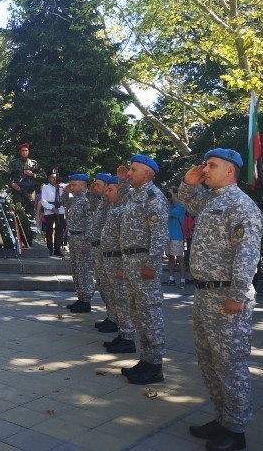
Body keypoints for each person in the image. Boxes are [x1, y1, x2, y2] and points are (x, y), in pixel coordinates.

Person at [179, 148, 262, 451]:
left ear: (229, 171)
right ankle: (222, 418)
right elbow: (187, 203)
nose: (205, 169)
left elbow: (248, 254)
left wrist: (237, 295)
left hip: (227, 295)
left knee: (230, 365)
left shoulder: (242, 205)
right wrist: (188, 183)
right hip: (205, 294)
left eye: (211, 165)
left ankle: (236, 432)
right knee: (209, 361)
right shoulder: (211, 200)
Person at [117, 155, 169, 385]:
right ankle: (145, 359)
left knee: (149, 312)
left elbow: (160, 233)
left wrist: (151, 263)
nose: (129, 173)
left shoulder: (153, 197)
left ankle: (156, 365)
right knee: (138, 312)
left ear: (147, 173)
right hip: (130, 260)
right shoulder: (134, 195)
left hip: (143, 261)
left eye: (133, 170)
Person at [99, 175, 136, 353]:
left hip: (118, 260)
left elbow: (126, 240)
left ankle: (128, 336)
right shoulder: (115, 208)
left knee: (122, 299)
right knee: (115, 298)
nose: (107, 193)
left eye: (110, 189)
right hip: (109, 259)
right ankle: (122, 333)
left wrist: (123, 266)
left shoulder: (125, 210)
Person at [90, 173, 118, 334]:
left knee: (110, 287)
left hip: (107, 251)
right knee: (102, 285)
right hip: (100, 249)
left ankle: (115, 319)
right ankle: (111, 316)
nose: (96, 187)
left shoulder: (111, 203)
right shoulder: (102, 202)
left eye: (98, 185)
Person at [63, 174, 93, 312]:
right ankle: (80, 297)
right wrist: (65, 192)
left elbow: (90, 223)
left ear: (82, 185)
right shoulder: (75, 198)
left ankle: (86, 300)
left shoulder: (87, 200)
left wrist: (87, 242)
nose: (72, 187)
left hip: (82, 238)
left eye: (74, 185)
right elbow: (64, 204)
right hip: (74, 237)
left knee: (84, 270)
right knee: (76, 269)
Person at [6, 143, 44, 232]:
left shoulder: (34, 164)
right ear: (19, 152)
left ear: (28, 152)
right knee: (17, 212)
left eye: (26, 150)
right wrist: (12, 184)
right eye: (23, 151)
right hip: (18, 191)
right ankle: (17, 233)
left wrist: (33, 174)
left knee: (30, 214)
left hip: (30, 192)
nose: (25, 152)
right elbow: (6, 176)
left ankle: (30, 235)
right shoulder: (14, 163)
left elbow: (43, 175)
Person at [165, 187, 188, 288]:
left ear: (176, 193)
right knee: (170, 257)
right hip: (168, 235)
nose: (169, 196)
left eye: (170, 194)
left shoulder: (181, 205)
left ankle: (183, 280)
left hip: (177, 235)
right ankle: (171, 278)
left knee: (179, 258)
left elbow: (169, 214)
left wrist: (167, 205)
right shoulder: (169, 205)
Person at [40, 169, 66, 257]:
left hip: (60, 209)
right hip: (49, 211)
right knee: (49, 230)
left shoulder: (61, 186)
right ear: (48, 178)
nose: (54, 179)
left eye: (56, 177)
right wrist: (51, 208)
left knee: (59, 230)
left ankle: (57, 249)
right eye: (52, 177)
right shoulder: (45, 187)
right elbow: (43, 201)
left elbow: (69, 190)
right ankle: (50, 249)